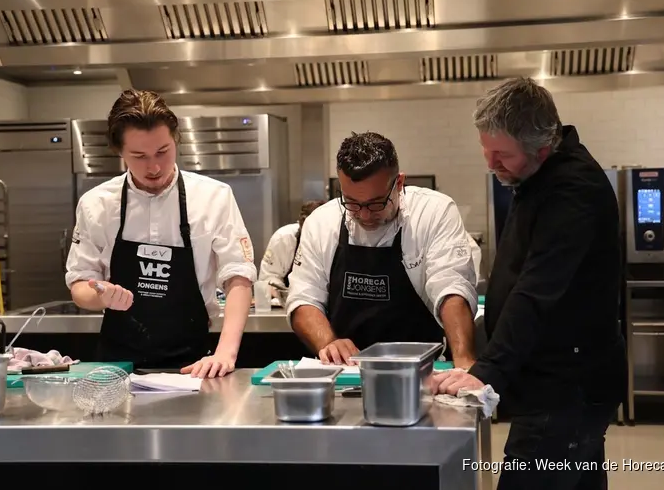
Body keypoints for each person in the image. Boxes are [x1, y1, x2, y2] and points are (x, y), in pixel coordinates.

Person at [430, 78, 626, 489]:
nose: (490, 163)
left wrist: (488, 370)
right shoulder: (538, 176)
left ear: (541, 147)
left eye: (501, 154)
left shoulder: (572, 191)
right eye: (486, 150)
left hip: (564, 390)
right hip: (563, 384)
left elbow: (537, 290)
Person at [65, 89, 257, 379]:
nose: (153, 167)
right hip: (117, 369)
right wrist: (102, 297)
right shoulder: (96, 204)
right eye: (139, 156)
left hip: (194, 366)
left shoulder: (214, 197)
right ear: (119, 151)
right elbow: (80, 284)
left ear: (176, 141)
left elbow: (239, 276)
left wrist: (225, 353)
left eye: (162, 152)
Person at [286, 131, 480, 368]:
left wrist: (464, 363)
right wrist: (329, 342)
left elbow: (452, 288)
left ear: (399, 183)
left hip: (420, 371)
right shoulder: (322, 222)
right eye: (353, 203)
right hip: (347, 370)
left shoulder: (432, 213)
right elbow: (303, 298)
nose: (365, 215)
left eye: (376, 203)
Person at [258, 200, 325, 298]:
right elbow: (269, 277)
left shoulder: (334, 240)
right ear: (301, 221)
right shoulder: (283, 238)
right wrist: (281, 294)